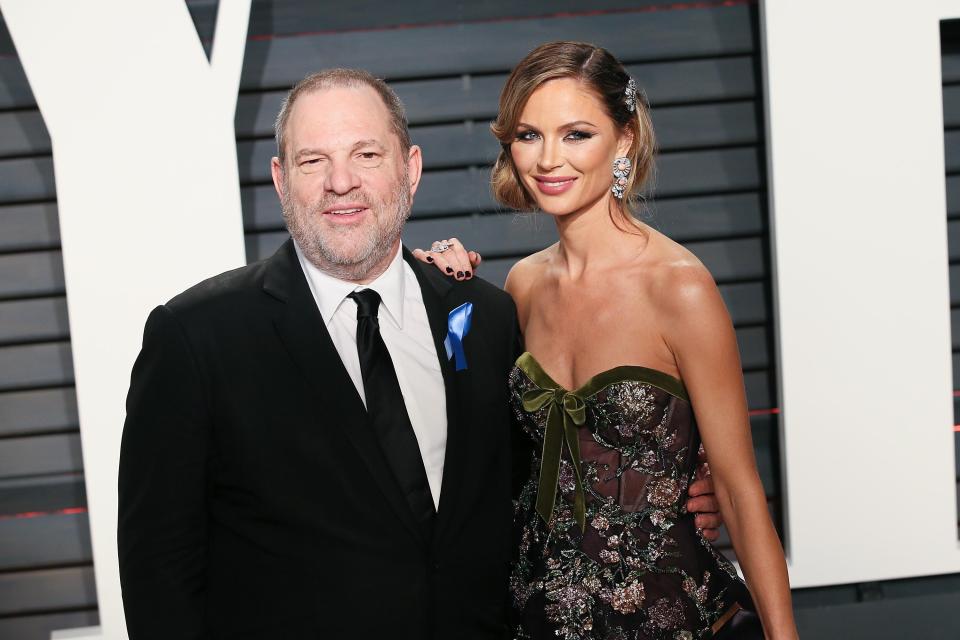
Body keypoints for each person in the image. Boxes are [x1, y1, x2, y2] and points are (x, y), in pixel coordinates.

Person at [118, 67, 725, 639]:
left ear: (410, 170)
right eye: (313, 161)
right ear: (280, 179)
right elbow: (157, 571)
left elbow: (544, 475)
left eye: (366, 154)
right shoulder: (196, 337)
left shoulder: (483, 319)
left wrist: (681, 484)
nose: (340, 181)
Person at [416, 42, 797, 639]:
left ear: (623, 140)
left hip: (675, 621)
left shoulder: (679, 288)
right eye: (527, 135)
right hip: (534, 619)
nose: (547, 159)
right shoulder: (522, 285)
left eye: (575, 134)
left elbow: (739, 490)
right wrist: (444, 298)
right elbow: (488, 449)